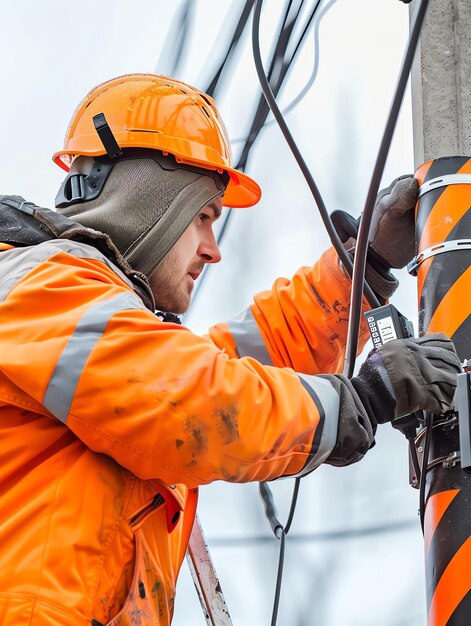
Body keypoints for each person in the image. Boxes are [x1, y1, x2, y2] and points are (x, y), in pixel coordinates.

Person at [0, 73, 461, 626]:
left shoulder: (75, 321)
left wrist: (361, 272)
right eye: (203, 217)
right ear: (149, 203)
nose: (213, 251)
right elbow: (191, 399)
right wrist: (358, 400)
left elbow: (224, 368)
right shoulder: (37, 284)